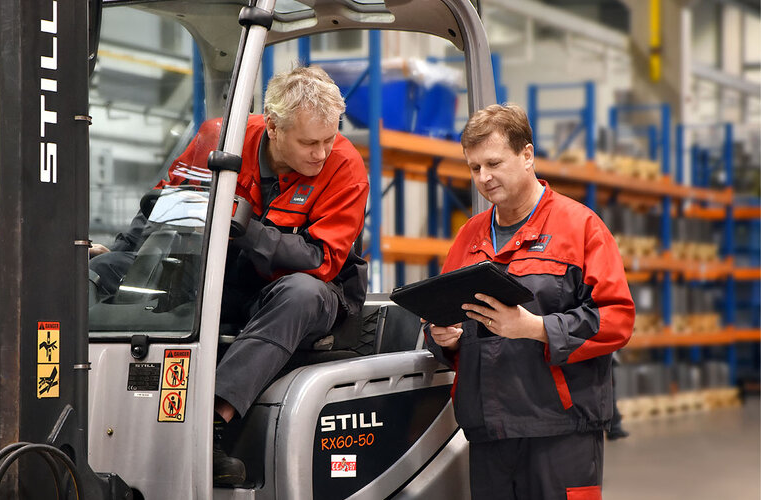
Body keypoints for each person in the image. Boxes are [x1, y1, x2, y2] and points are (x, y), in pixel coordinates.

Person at [90, 66, 370, 485]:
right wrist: (125, 252)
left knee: (302, 293)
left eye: (329, 139)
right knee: (100, 271)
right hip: (223, 277)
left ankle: (209, 424)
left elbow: (320, 261)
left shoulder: (345, 166)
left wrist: (243, 228)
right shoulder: (219, 140)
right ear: (273, 128)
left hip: (304, 292)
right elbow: (165, 204)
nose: (322, 152)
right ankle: (87, 398)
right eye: (309, 142)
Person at [424, 104, 634, 500]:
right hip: (489, 432)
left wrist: (536, 328)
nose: (484, 178)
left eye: (494, 163)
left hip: (560, 432)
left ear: (527, 155)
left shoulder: (580, 227)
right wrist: (443, 337)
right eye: (474, 168)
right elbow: (444, 321)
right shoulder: (469, 237)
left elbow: (617, 318)